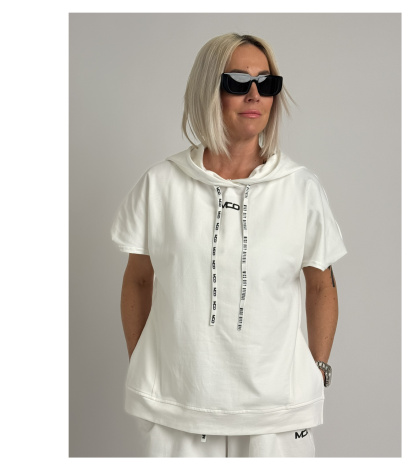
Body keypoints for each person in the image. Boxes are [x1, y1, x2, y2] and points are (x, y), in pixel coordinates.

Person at [110, 32, 347, 458]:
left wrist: (317, 370)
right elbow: (139, 280)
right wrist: (145, 362)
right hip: (177, 411)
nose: (255, 95)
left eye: (266, 83)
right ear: (208, 88)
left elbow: (321, 286)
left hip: (277, 416)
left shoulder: (300, 188)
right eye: (238, 82)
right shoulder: (160, 185)